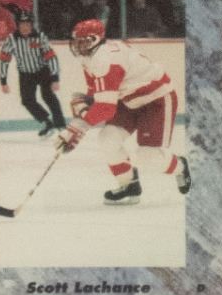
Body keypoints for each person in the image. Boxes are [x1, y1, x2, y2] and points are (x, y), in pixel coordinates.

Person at [56, 17, 190, 207]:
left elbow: (106, 108)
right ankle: (129, 185)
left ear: (95, 40)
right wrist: (85, 106)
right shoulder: (90, 56)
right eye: (76, 41)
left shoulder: (105, 60)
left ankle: (180, 166)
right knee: (107, 139)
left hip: (156, 99)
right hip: (128, 100)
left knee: (147, 156)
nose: (77, 46)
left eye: (83, 41)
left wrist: (77, 127)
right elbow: (97, 93)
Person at [0, 8, 65, 136]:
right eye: (22, 24)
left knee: (48, 96)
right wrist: (3, 81)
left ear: (31, 25)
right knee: (27, 100)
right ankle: (47, 122)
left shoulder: (40, 37)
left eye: (27, 24)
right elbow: (3, 60)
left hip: (43, 71)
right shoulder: (12, 39)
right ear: (17, 25)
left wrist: (55, 78)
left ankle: (61, 124)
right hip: (25, 74)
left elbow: (51, 57)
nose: (25, 27)